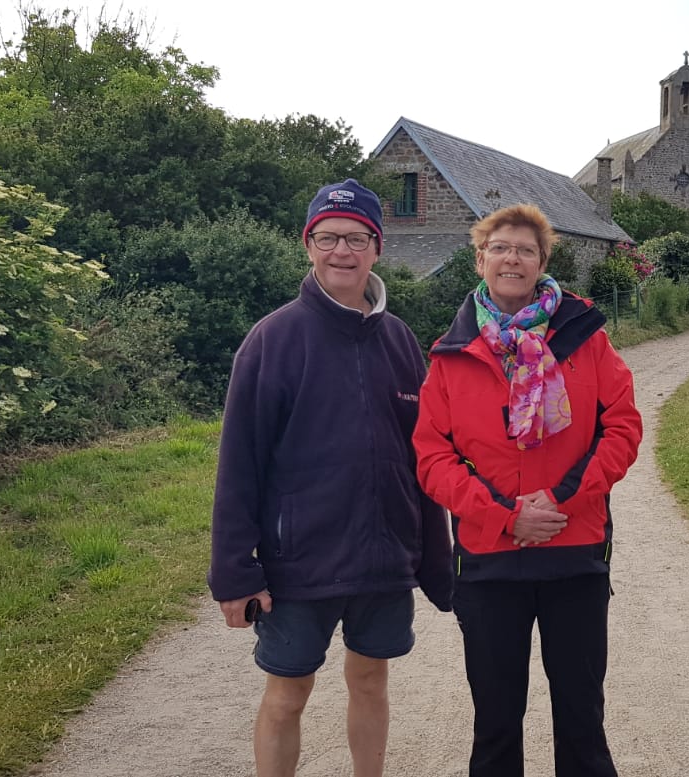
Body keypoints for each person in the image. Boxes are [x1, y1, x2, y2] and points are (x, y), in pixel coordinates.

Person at [207, 179, 453, 777]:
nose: (342, 251)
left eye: (357, 238)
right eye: (328, 238)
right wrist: (235, 573)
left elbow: (423, 457)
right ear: (308, 245)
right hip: (299, 562)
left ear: (378, 248)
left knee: (370, 681)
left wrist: (434, 557)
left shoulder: (400, 341)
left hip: (382, 559)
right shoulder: (272, 340)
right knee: (287, 695)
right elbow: (239, 464)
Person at [413, 203, 643, 777]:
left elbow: (621, 429)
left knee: (582, 719)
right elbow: (433, 458)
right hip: (489, 561)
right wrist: (503, 515)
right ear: (480, 260)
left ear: (542, 263)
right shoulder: (450, 356)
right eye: (500, 248)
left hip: (575, 554)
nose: (511, 258)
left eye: (525, 250)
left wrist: (561, 500)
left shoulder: (587, 339)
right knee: (495, 722)